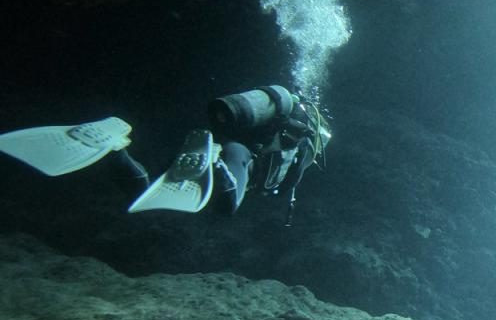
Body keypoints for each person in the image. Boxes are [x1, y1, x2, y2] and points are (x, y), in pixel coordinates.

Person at [0, 85, 330, 223]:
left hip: (211, 142)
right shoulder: (305, 145)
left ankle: (117, 151)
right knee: (228, 205)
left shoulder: (283, 118)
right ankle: (216, 166)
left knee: (151, 191)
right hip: (235, 156)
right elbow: (287, 184)